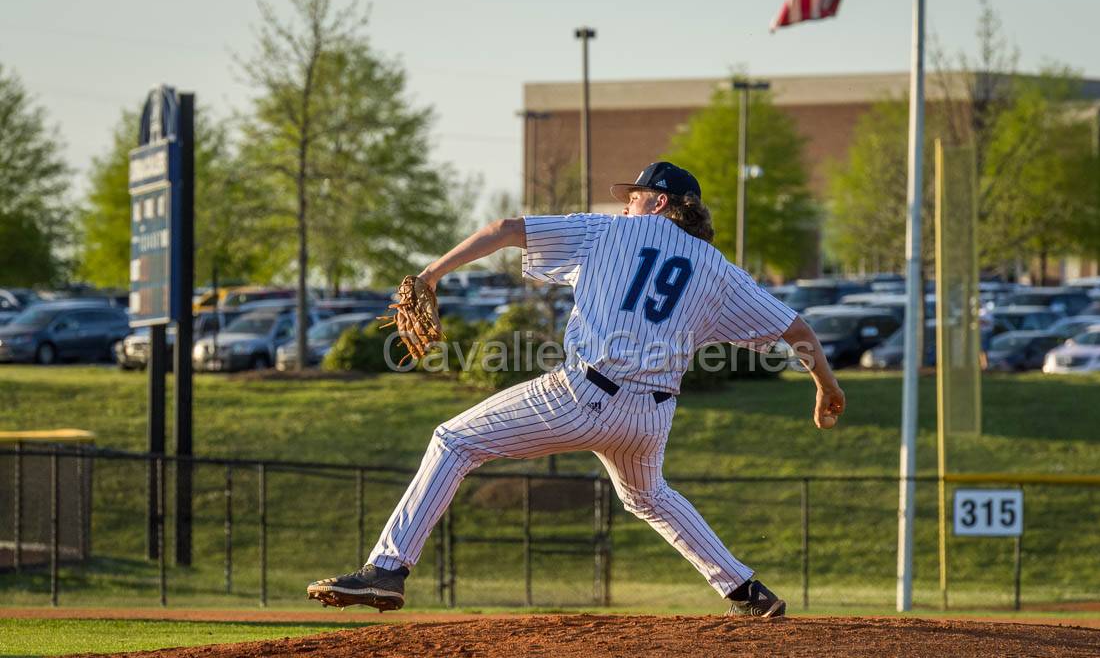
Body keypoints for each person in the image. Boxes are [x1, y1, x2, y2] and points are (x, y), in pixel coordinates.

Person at [308, 161, 845, 617]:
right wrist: (825, 384)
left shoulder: (607, 232)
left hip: (586, 394)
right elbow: (796, 329)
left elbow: (505, 227)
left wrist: (431, 273)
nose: (627, 206)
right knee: (649, 496)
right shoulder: (718, 269)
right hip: (651, 416)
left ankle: (386, 569)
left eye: (634, 198)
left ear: (659, 203)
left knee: (454, 441)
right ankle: (745, 591)